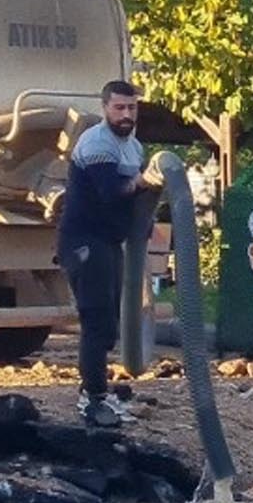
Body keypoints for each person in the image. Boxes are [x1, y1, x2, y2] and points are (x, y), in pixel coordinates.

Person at [57, 79, 161, 427]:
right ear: (105, 108)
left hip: (109, 242)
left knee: (110, 323)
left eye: (131, 107)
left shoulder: (133, 148)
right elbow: (111, 193)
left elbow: (135, 202)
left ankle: (99, 393)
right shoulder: (97, 143)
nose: (126, 114)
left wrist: (145, 224)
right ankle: (92, 399)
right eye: (119, 107)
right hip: (85, 241)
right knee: (97, 321)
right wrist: (143, 182)